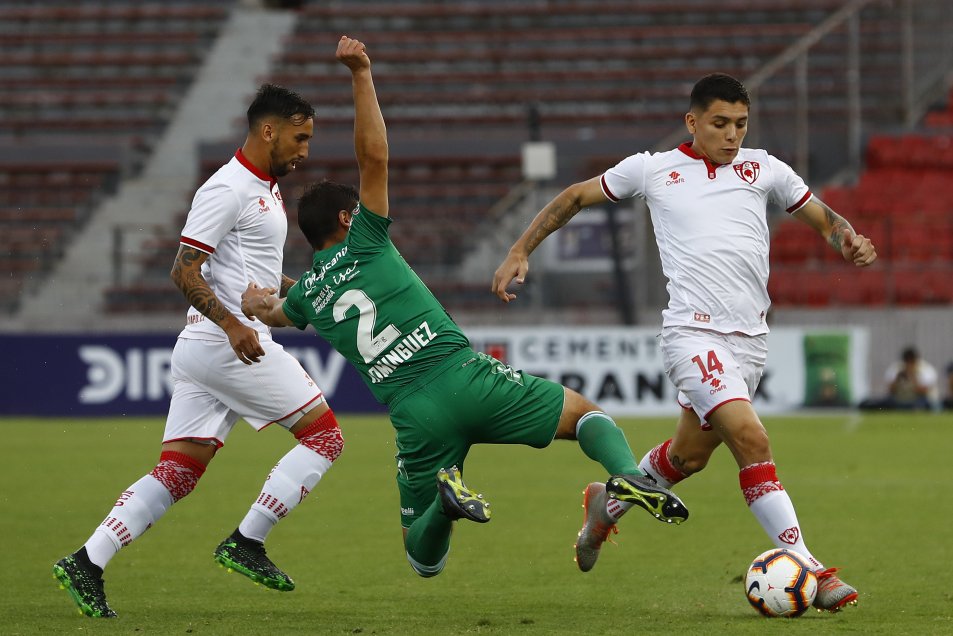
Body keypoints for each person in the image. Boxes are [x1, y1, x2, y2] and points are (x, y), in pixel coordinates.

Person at [241, 36, 689, 580]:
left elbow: (279, 311)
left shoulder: (310, 294)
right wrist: (361, 74)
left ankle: (444, 505)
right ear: (345, 220)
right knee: (587, 414)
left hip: (415, 415)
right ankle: (626, 475)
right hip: (465, 375)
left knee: (422, 558)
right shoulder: (366, 239)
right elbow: (374, 157)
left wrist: (257, 301)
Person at [492, 73, 877, 612]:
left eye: (740, 124)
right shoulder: (653, 169)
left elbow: (822, 218)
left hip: (750, 343)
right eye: (720, 123)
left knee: (688, 458)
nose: (732, 134)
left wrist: (848, 239)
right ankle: (812, 568)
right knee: (752, 440)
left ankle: (607, 504)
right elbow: (575, 197)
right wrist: (520, 249)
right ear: (692, 121)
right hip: (692, 334)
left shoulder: (764, 168)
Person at [53, 83, 345, 618]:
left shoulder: (266, 188)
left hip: (208, 347)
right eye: (299, 138)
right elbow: (182, 269)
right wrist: (235, 325)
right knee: (325, 436)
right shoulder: (227, 188)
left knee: (179, 472)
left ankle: (87, 561)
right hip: (225, 344)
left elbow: (251, 273)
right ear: (268, 130)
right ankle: (248, 541)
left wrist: (301, 293)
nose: (305, 151)